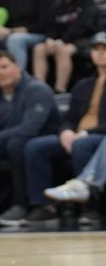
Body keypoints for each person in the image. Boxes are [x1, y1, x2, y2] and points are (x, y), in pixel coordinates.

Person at [22, 32, 106, 224]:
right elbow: (70, 118)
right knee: (35, 147)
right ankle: (43, 206)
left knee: (83, 145)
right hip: (77, 136)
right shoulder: (83, 84)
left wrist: (87, 133)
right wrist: (66, 132)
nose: (100, 54)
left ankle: (90, 206)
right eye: (96, 49)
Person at [0, 51, 61, 226]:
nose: (1, 73)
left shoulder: (37, 89)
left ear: (18, 67)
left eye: (5, 67)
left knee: (18, 144)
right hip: (8, 142)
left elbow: (30, 128)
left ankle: (23, 204)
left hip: (45, 142)